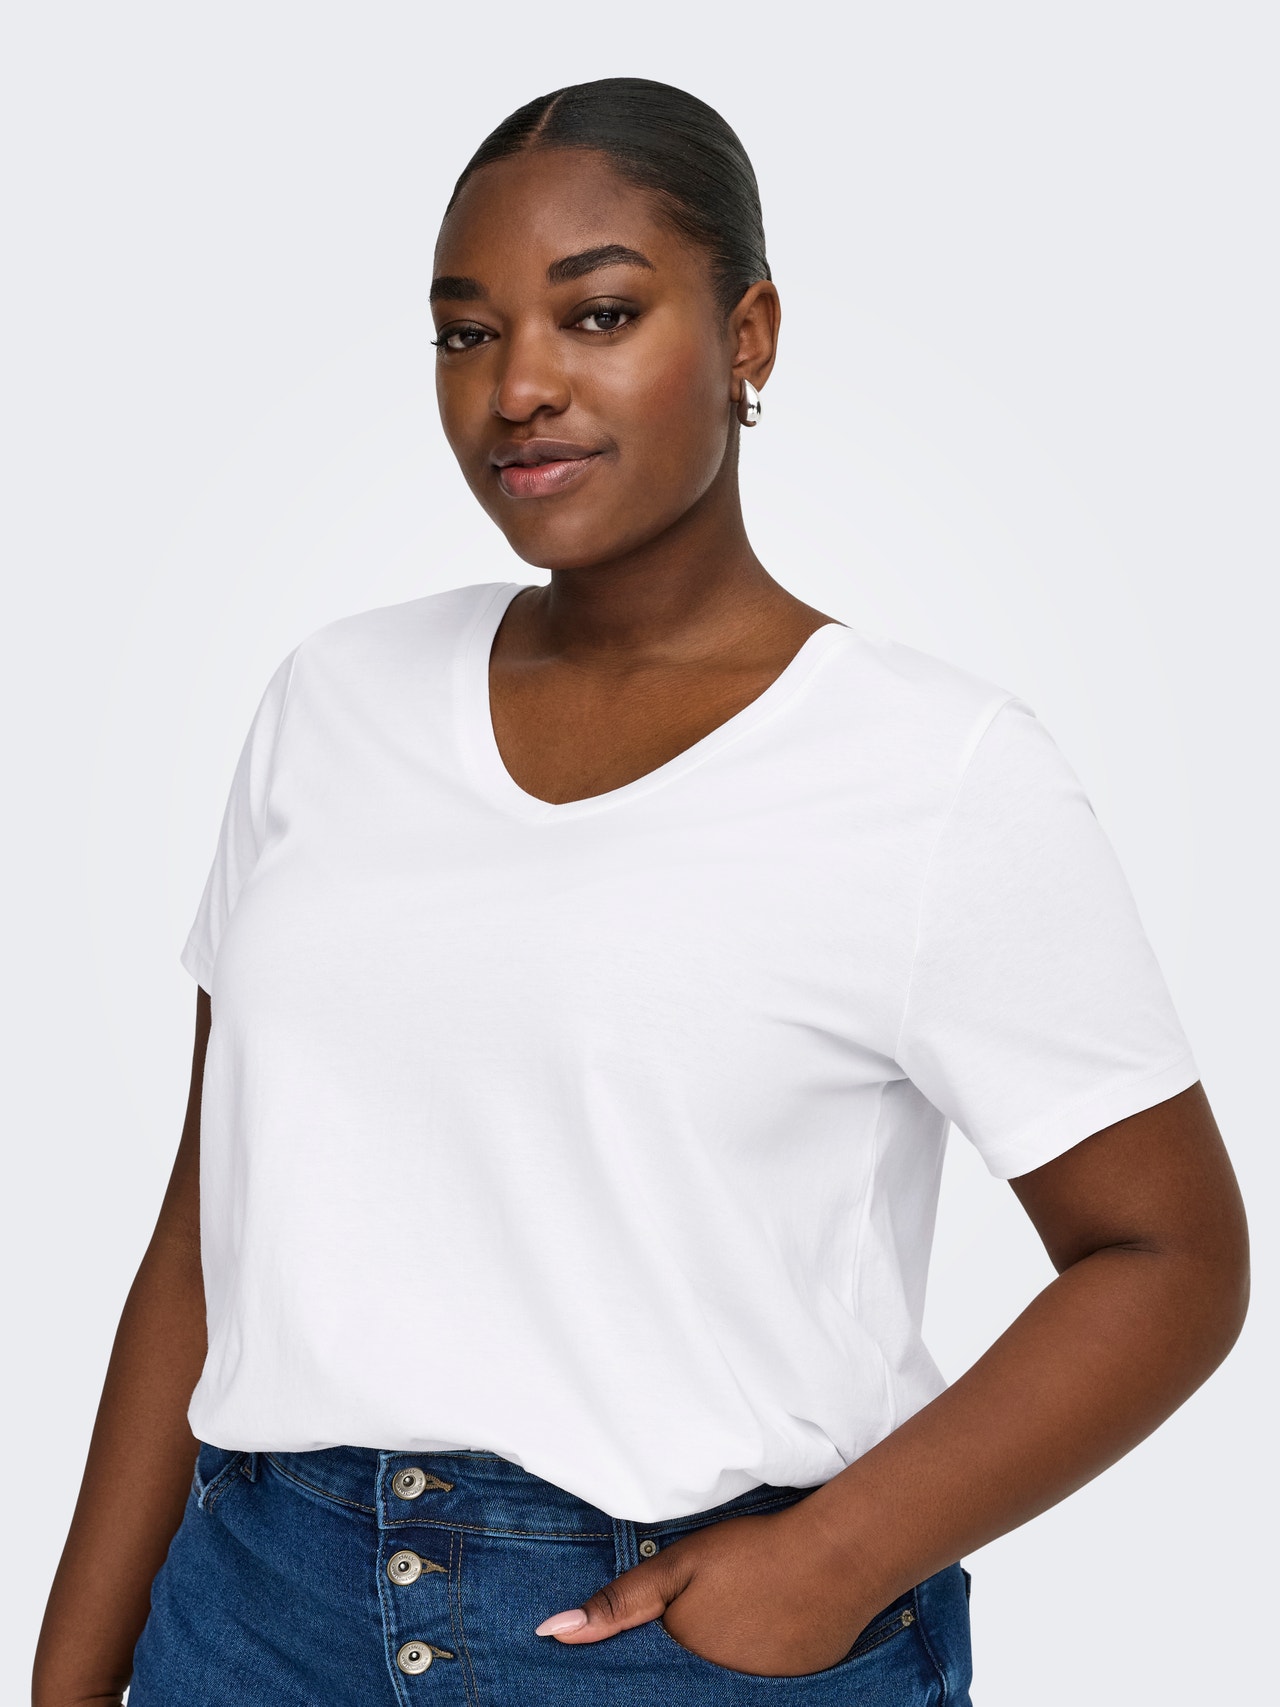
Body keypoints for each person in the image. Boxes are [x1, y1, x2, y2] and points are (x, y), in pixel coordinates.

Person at [33, 77, 1248, 1707]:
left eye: (598, 314)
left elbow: (1169, 1256)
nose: (519, 386)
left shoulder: (934, 771)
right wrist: (71, 1679)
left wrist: (831, 1563)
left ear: (749, 335)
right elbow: (203, 1229)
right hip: (257, 1616)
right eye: (467, 334)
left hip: (670, 1643)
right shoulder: (331, 703)